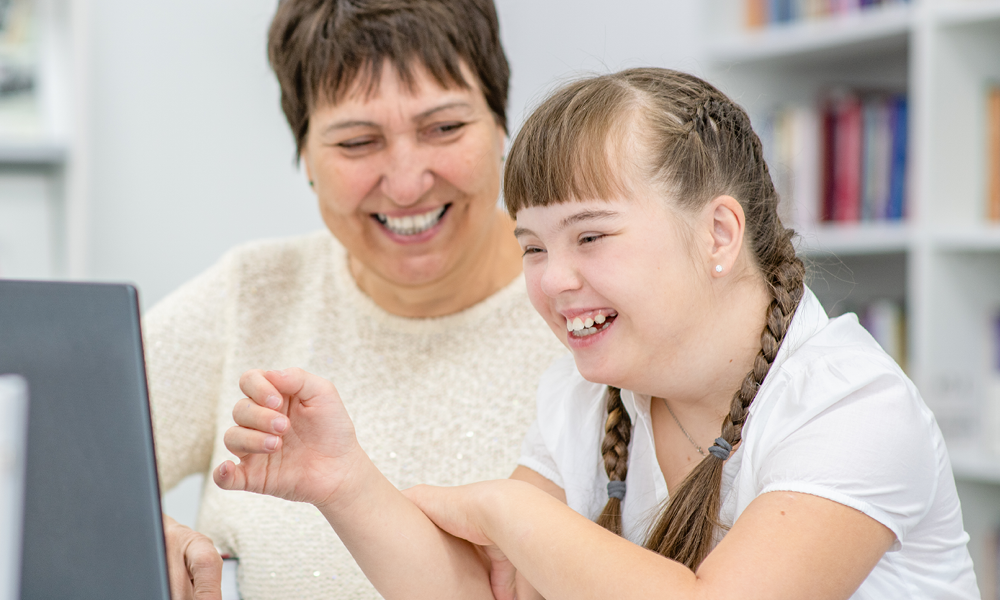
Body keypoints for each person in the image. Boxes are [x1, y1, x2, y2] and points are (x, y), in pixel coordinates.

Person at [215, 67, 980, 599]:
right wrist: (343, 483)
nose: (551, 282)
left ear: (718, 234)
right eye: (534, 247)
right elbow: (485, 593)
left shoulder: (853, 408)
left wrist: (509, 512)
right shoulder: (590, 396)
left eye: (590, 237)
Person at [145, 1, 566, 598]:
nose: (406, 181)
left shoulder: (588, 311)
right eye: (358, 142)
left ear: (501, 126)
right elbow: (46, 460)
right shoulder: (251, 295)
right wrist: (141, 537)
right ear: (305, 158)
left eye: (444, 128)